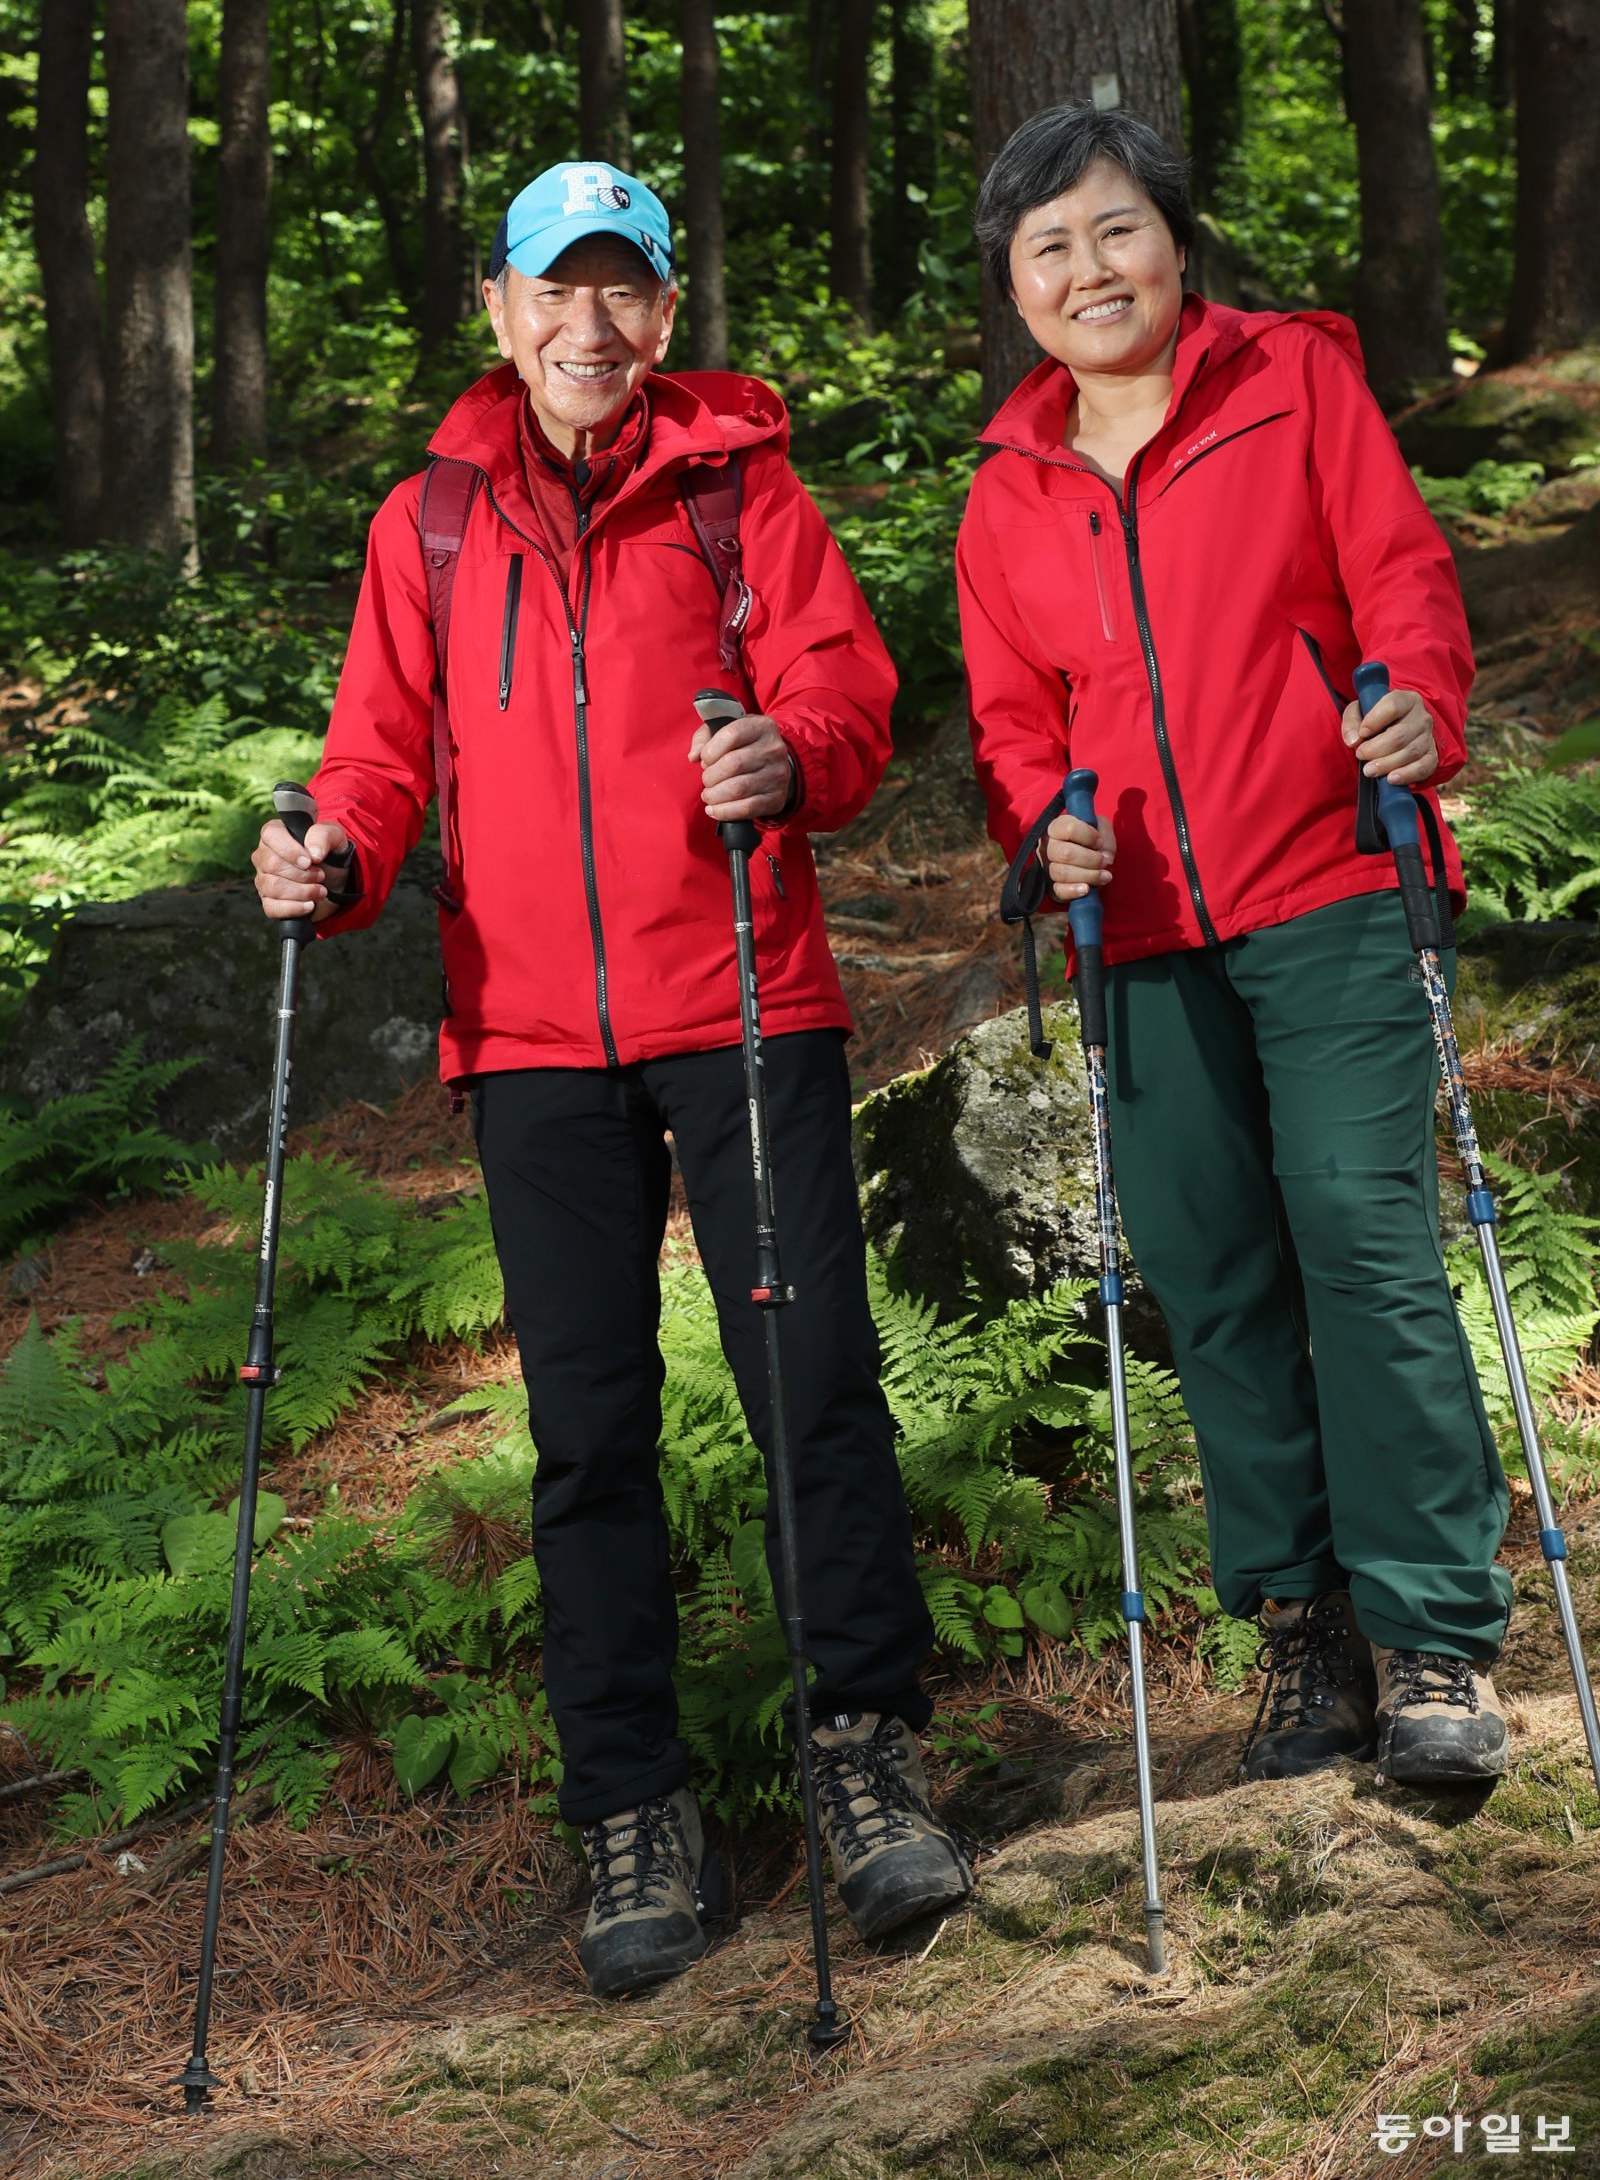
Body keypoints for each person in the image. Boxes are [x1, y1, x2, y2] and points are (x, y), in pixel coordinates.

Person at [252, 160, 969, 1996]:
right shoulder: (427, 522)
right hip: (531, 1038)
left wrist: (785, 764)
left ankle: (868, 1758)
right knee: (587, 1433)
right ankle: (631, 1809)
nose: (589, 326)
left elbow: (849, 696)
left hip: (742, 997)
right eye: (554, 293)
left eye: (623, 293)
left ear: (664, 315)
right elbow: (378, 759)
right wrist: (329, 857)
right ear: (498, 308)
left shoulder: (740, 489)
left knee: (811, 1382)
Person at [956, 102, 1511, 1790]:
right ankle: (1303, 1629)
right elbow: (1010, 725)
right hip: (1139, 931)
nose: (1088, 267)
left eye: (1115, 228)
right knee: (1212, 1270)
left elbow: (1400, 575)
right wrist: (1037, 823)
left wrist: (1418, 705)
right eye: (1049, 247)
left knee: (1358, 1228)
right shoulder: (1005, 492)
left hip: (1334, 874)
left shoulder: (1296, 383)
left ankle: (1431, 1632)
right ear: (1017, 291)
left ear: (1176, 241)